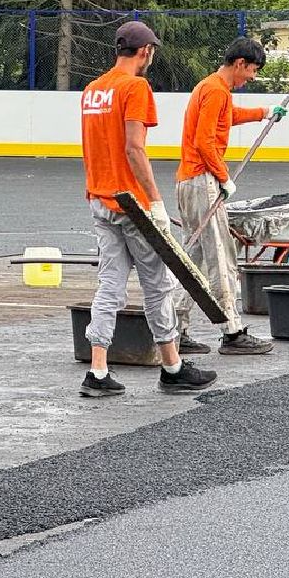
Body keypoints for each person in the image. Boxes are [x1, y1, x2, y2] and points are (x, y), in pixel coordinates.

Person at [78, 20, 218, 398]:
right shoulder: (136, 87)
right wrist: (154, 202)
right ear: (146, 51)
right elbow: (134, 148)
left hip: (99, 199)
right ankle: (172, 367)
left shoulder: (93, 90)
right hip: (132, 205)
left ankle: (98, 369)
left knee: (109, 286)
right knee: (158, 285)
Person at [174, 37, 288, 357]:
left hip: (190, 180)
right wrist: (223, 178)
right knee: (222, 257)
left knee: (193, 260)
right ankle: (232, 331)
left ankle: (174, 328)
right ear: (239, 64)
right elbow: (204, 141)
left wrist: (265, 111)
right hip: (201, 181)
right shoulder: (214, 90)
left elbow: (229, 117)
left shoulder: (214, 89)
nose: (251, 77)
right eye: (252, 70)